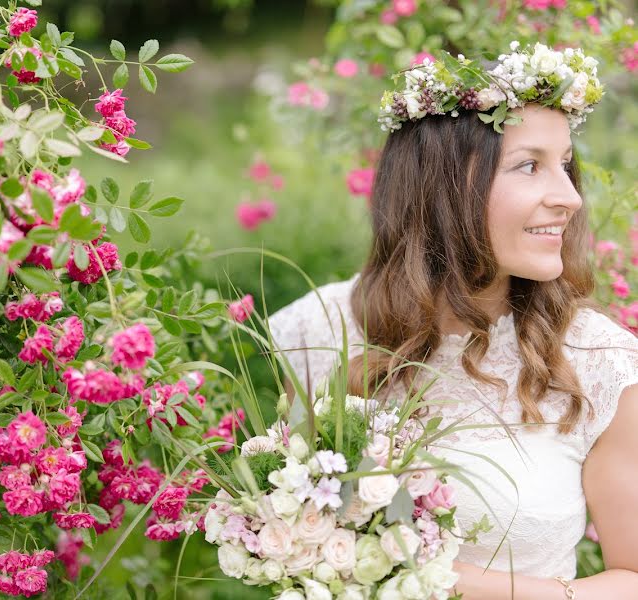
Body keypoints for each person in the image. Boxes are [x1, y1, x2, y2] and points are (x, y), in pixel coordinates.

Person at [267, 42, 638, 599]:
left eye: (564, 165)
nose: (569, 197)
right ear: (442, 187)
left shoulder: (596, 361)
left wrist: (445, 583)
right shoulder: (321, 330)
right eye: (530, 165)